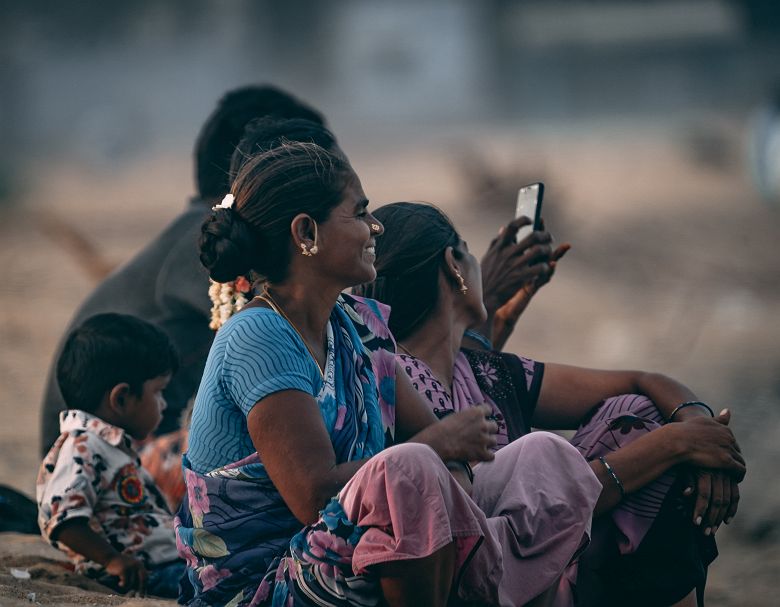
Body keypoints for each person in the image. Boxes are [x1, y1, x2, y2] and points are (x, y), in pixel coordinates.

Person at [176, 140, 602, 606]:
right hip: (264, 582)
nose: (375, 226)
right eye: (359, 214)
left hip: (348, 552)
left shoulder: (358, 323)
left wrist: (449, 467)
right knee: (411, 469)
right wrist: (439, 452)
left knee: (544, 457)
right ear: (305, 233)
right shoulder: (257, 337)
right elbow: (312, 497)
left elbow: (442, 447)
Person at [356, 201, 747, 607]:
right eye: (469, 252)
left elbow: (645, 383)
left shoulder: (483, 369)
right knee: (627, 439)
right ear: (454, 265)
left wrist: (703, 435)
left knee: (639, 414)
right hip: (486, 579)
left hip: (545, 566)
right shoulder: (397, 381)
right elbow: (520, 516)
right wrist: (677, 444)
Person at [39, 85, 326, 456]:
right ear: (267, 177)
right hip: (95, 473)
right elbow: (284, 338)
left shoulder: (201, 234)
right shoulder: (206, 244)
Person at [36, 313, 182, 597]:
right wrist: (113, 560)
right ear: (121, 398)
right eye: (159, 392)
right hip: (146, 574)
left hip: (161, 565)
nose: (163, 405)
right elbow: (63, 518)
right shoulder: (83, 447)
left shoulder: (107, 446)